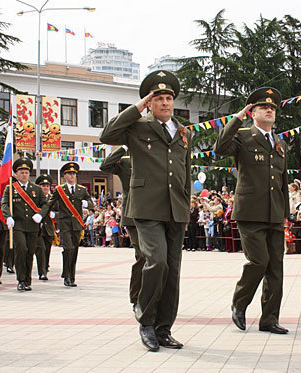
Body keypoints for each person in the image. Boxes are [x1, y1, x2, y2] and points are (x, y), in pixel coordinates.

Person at [100, 70, 191, 352]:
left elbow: (186, 172)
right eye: (158, 98)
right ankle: (146, 320)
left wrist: (186, 204)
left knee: (172, 271)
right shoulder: (138, 126)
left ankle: (164, 329)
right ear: (149, 103)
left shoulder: (183, 132)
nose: (165, 103)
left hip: (176, 209)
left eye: (168, 98)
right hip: (147, 207)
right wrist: (137, 108)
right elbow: (107, 134)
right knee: (157, 262)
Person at [214, 87, 289, 335]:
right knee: (259, 261)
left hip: (275, 212)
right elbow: (221, 147)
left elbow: (283, 180)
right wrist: (236, 119)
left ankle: (270, 319)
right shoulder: (243, 136)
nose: (269, 110)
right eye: (263, 107)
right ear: (252, 113)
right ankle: (240, 303)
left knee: (276, 267)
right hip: (250, 212)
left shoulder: (279, 143)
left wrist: (285, 212)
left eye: (272, 108)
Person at [2, 158, 49, 292]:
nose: (24, 175)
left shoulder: (36, 189)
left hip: (33, 226)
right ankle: (21, 279)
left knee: (29, 252)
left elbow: (45, 204)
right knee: (21, 249)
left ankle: (27, 280)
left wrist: (41, 214)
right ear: (16, 174)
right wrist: (8, 216)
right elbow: (5, 204)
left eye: (26, 172)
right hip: (18, 225)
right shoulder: (10, 188)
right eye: (21, 172)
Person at [47, 162, 94, 287]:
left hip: (77, 224)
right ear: (65, 176)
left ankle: (71, 276)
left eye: (74, 173)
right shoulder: (59, 190)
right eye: (69, 174)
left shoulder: (82, 189)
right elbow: (50, 203)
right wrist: (42, 214)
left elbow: (90, 201)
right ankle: (66, 275)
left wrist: (87, 204)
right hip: (65, 224)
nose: (72, 176)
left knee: (74, 250)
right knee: (68, 248)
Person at [35, 174, 56, 280]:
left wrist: (55, 214)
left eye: (47, 185)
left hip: (49, 228)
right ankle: (42, 271)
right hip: (38, 228)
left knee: (47, 250)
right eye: (43, 185)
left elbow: (59, 210)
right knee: (40, 250)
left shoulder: (53, 199)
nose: (45, 187)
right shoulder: (35, 198)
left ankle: (45, 267)